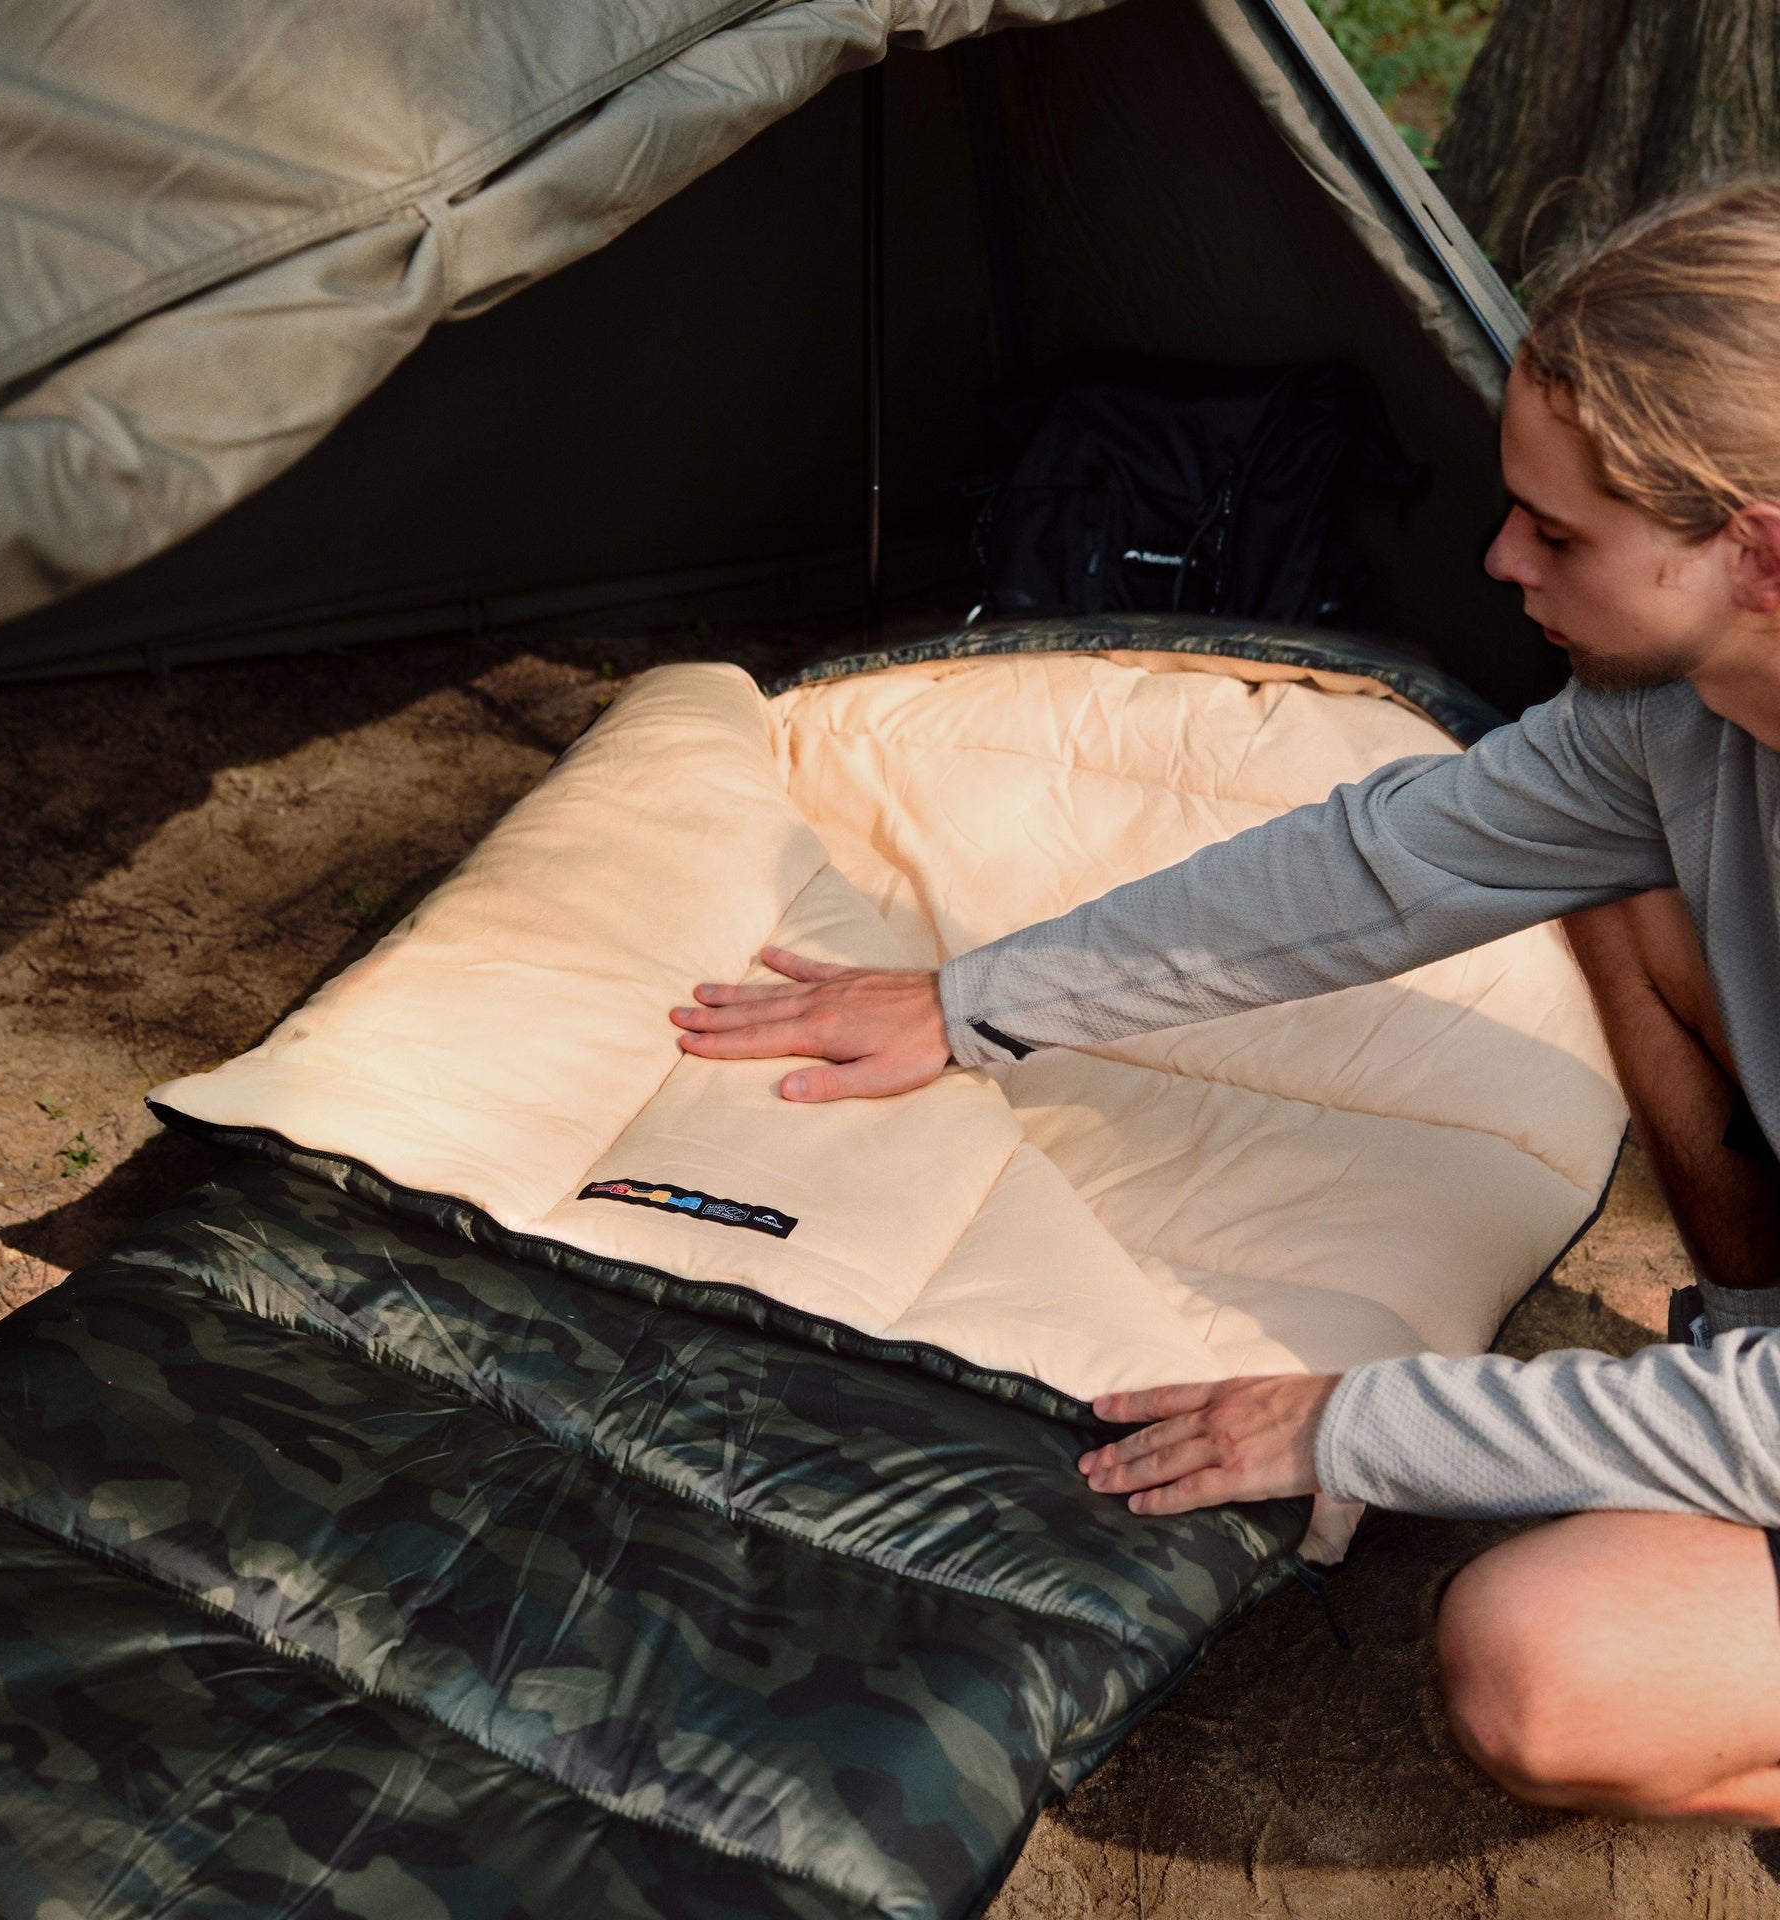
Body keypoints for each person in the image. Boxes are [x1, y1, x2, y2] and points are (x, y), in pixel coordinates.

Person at [668, 180, 1780, 1826]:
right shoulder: (1670, 718)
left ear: (1757, 550)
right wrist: (973, 1003)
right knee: (1610, 882)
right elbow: (1376, 871)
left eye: (1558, 537)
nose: (1498, 558)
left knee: (1548, 1666)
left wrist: (1348, 1423)